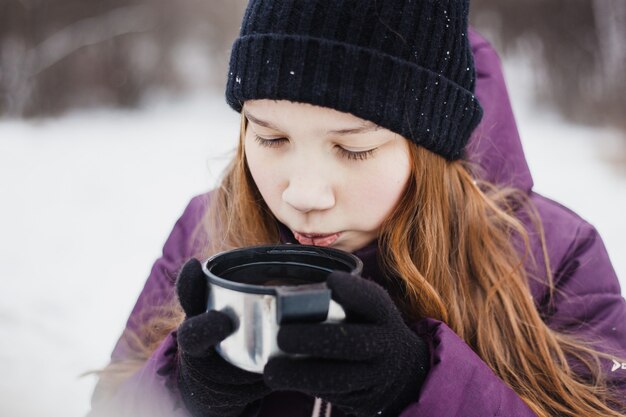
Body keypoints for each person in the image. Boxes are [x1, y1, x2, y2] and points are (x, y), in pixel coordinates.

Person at [89, 1, 626, 416]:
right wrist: (182, 390)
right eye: (271, 138)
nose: (303, 194)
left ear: (427, 150)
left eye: (353, 149)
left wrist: (422, 387)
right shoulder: (204, 232)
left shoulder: (554, 258)